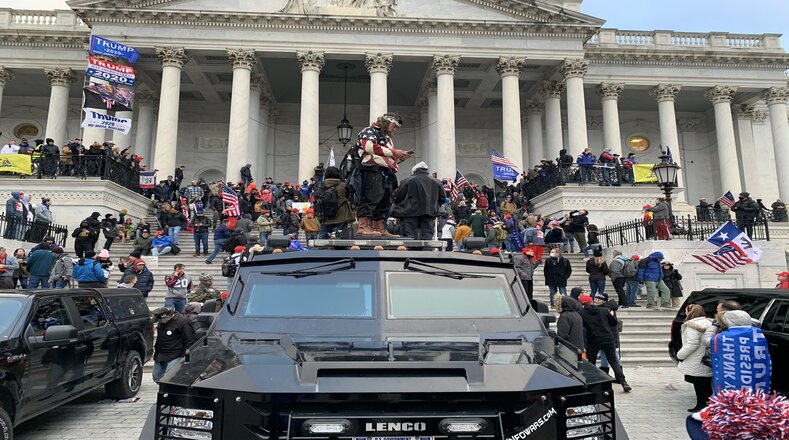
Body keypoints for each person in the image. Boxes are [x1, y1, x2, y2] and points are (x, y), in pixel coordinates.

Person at [353, 113, 414, 237]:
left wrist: (400, 155)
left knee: (385, 200)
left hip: (386, 171)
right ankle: (363, 227)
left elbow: (387, 154)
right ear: (386, 122)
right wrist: (395, 152)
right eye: (394, 126)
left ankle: (379, 227)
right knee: (370, 197)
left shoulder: (387, 137)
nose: (395, 129)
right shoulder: (369, 131)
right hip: (372, 169)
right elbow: (369, 147)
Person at [710, 310, 771, 395]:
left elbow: (707, 340)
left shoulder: (723, 337)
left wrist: (714, 326)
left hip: (733, 376)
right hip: (754, 375)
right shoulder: (757, 333)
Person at [578, 295, 631, 392]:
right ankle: (623, 381)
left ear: (581, 303)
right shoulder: (603, 311)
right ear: (591, 301)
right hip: (607, 337)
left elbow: (583, 327)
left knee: (592, 362)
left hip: (593, 339)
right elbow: (614, 322)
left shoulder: (581, 313)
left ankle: (592, 382)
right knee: (613, 360)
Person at [392, 161, 445, 240]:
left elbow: (398, 196)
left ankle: (410, 251)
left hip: (409, 213)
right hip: (429, 213)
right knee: (427, 236)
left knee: (409, 237)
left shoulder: (407, 180)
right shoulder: (437, 182)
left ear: (415, 171)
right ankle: (426, 251)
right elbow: (442, 199)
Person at [676, 304, 713, 412]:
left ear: (690, 312)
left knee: (699, 384)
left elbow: (692, 343)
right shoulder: (709, 323)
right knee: (705, 383)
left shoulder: (692, 325)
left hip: (696, 359)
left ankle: (701, 405)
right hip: (706, 358)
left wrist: (680, 355)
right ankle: (705, 404)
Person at [151, 307, 195, 383]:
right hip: (161, 354)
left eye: (161, 320)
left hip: (176, 355)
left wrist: (184, 356)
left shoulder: (183, 322)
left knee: (169, 378)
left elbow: (189, 340)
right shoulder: (161, 322)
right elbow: (159, 339)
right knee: (156, 376)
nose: (160, 322)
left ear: (167, 317)